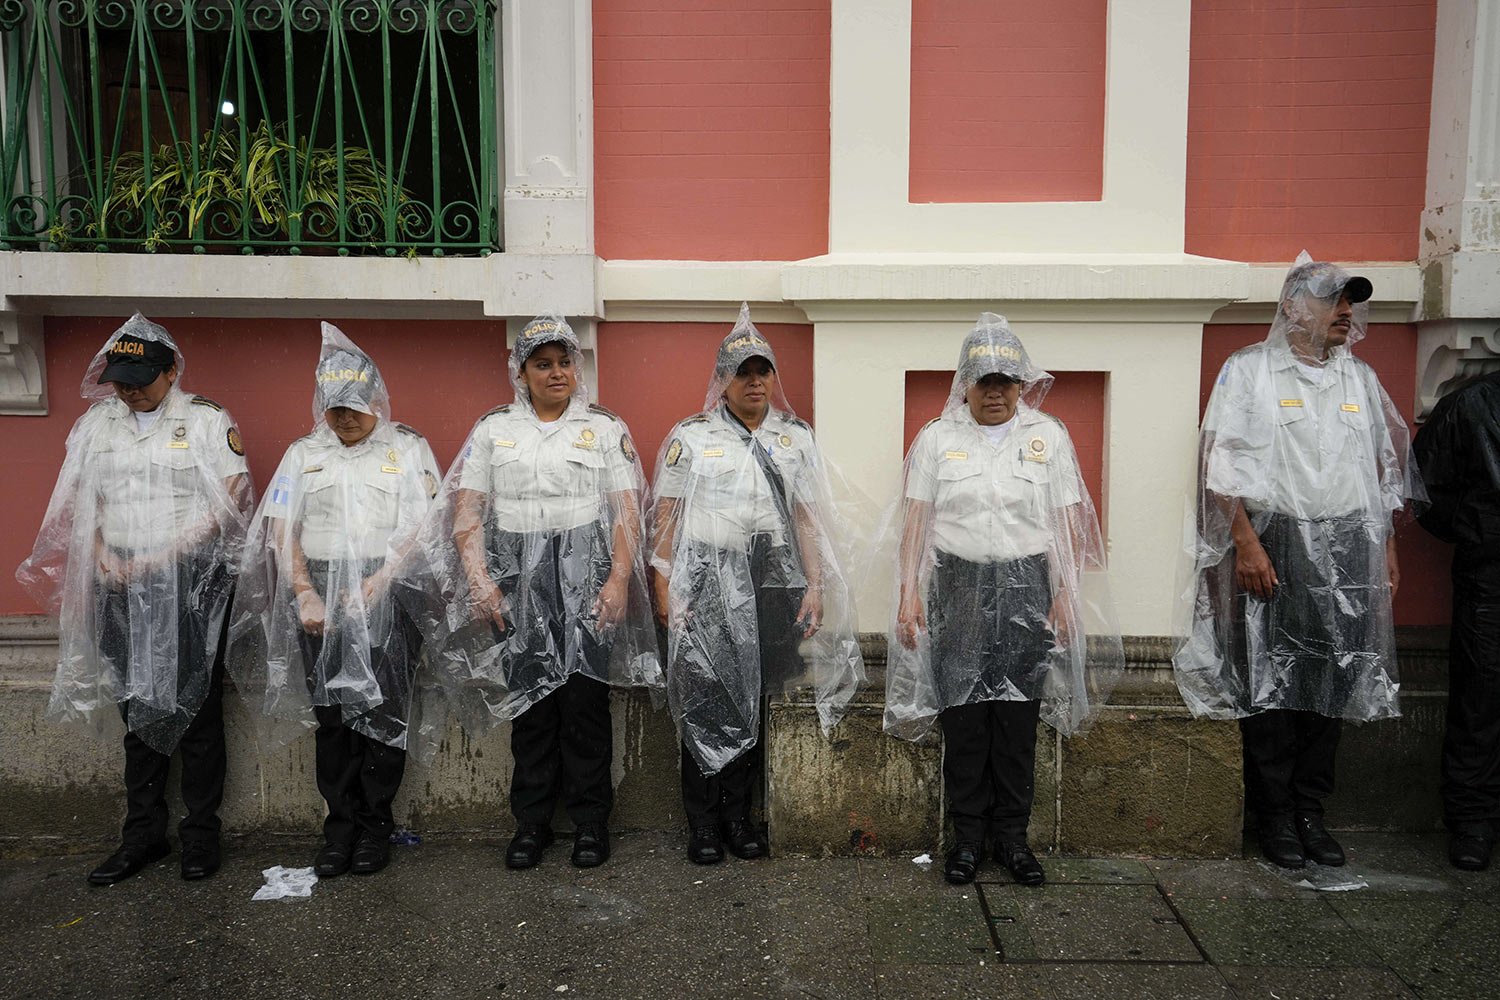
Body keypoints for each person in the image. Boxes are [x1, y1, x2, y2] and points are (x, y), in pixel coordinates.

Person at [1174, 253, 1420, 869]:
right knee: (1271, 682)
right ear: (1292, 307)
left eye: (1350, 301)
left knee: (1333, 679)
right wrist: (1247, 542)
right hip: (1277, 542)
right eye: (1332, 299)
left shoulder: (1357, 379)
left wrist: (1383, 545)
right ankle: (1275, 815)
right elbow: (1220, 464)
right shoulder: (1249, 371)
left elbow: (1380, 470)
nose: (1345, 312)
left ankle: (1312, 809)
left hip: (1348, 543)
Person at [412, 315, 660, 870]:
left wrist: (618, 579)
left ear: (577, 367)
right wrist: (480, 580)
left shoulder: (602, 427)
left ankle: (591, 824)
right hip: (520, 580)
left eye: (564, 362)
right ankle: (532, 823)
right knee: (532, 704)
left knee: (586, 702)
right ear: (520, 372)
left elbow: (626, 511)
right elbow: (467, 511)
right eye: (542, 364)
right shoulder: (493, 430)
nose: (556, 373)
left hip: (587, 574)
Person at [16, 314, 252, 884]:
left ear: (171, 372)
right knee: (135, 707)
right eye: (120, 379)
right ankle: (143, 835)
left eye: (140, 379)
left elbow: (233, 497)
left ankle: (200, 835)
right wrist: (99, 549)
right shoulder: (98, 425)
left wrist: (164, 557)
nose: (127, 390)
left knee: (194, 709)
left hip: (190, 580)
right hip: (117, 578)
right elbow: (82, 499)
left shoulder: (205, 420)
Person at [885, 314, 1120, 886]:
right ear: (965, 382)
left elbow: (1068, 522)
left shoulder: (1049, 437)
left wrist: (1066, 591)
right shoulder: (937, 440)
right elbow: (916, 521)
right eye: (984, 380)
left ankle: (1013, 839)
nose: (995, 391)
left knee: (1017, 718)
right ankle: (966, 839)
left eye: (1006, 381)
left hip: (1028, 586)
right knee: (963, 716)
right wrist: (908, 593)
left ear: (1022, 385)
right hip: (958, 588)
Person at [651, 303, 864, 865]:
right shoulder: (690, 437)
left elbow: (807, 518)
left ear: (773, 378)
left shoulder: (794, 438)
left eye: (761, 370)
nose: (753, 381)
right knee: (705, 695)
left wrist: (814, 584)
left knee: (758, 697)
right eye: (741, 371)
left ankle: (740, 818)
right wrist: (663, 584)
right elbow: (666, 516)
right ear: (723, 379)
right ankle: (702, 822)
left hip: (772, 581)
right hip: (706, 578)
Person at [228, 323, 440, 877]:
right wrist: (302, 591)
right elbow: (281, 529)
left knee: (382, 709)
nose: (344, 417)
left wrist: (381, 581)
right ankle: (338, 829)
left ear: (376, 401)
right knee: (333, 716)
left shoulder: (408, 447)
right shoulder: (303, 454)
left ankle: (375, 828)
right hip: (318, 590)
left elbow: (422, 526)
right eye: (333, 407)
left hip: (386, 589)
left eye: (354, 406)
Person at [1413, 372, 1500, 870]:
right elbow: (1426, 486)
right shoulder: (1473, 404)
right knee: (1481, 695)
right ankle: (1473, 821)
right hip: (1490, 576)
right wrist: (1481, 531)